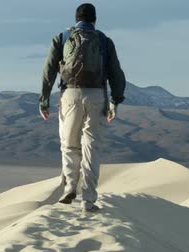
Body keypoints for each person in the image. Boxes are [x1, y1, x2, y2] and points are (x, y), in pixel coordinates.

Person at [39, 3, 126, 212]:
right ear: (94, 20)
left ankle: (70, 186)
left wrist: (44, 100)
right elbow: (116, 73)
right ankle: (88, 200)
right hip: (96, 95)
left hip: (70, 94)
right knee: (91, 148)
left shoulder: (62, 37)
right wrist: (115, 100)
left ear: (76, 18)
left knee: (69, 144)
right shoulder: (104, 41)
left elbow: (49, 69)